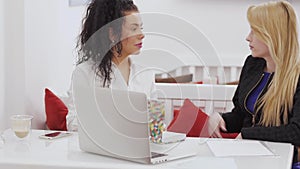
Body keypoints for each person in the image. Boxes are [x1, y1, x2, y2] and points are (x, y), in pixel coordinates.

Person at [210, 1, 300, 166]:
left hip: (282, 161)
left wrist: (248, 134)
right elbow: (242, 114)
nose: (248, 37)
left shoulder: (297, 76)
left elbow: (296, 132)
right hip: (247, 157)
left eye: (255, 31)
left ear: (273, 34)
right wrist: (222, 119)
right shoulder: (252, 64)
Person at [63, 0, 157, 131]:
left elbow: (155, 125)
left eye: (141, 28)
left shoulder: (146, 75)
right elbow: (73, 123)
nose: (142, 35)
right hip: (99, 149)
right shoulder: (85, 73)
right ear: (112, 34)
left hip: (140, 150)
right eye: (134, 28)